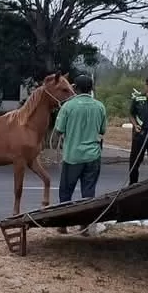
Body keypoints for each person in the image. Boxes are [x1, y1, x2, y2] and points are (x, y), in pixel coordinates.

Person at [54, 74, 107, 203]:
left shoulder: (68, 106)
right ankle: (85, 222)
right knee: (88, 194)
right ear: (91, 89)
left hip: (73, 156)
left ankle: (64, 221)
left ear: (75, 88)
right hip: (93, 155)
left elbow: (58, 130)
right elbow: (102, 130)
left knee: (66, 193)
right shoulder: (100, 106)